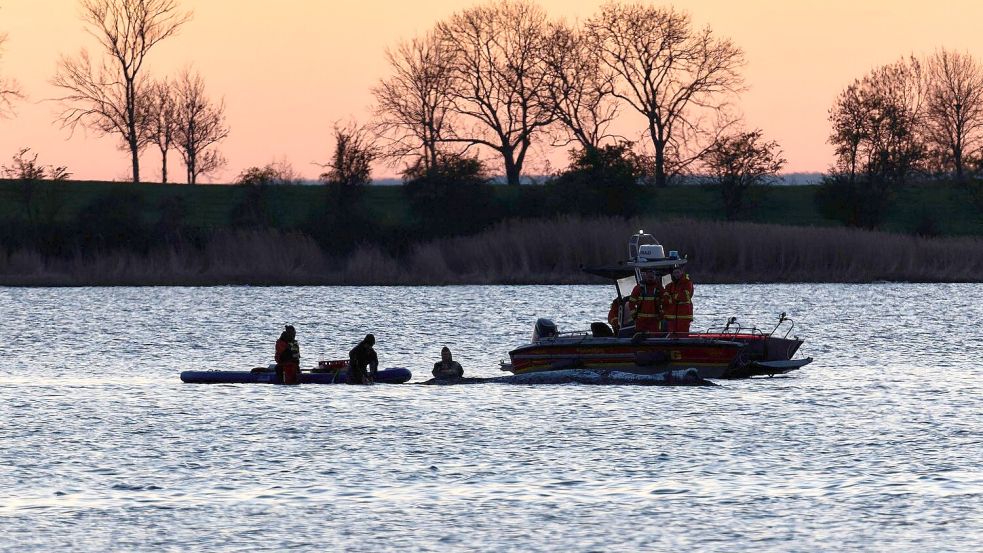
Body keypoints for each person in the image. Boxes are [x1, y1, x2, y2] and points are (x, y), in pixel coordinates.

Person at [663, 268, 695, 334]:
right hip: (671, 315)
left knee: (683, 335)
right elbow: (665, 298)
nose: (676, 274)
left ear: (681, 272)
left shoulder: (687, 283)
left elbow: (685, 296)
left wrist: (672, 297)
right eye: (675, 273)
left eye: (678, 272)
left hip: (684, 315)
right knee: (671, 335)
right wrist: (674, 297)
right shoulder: (669, 285)